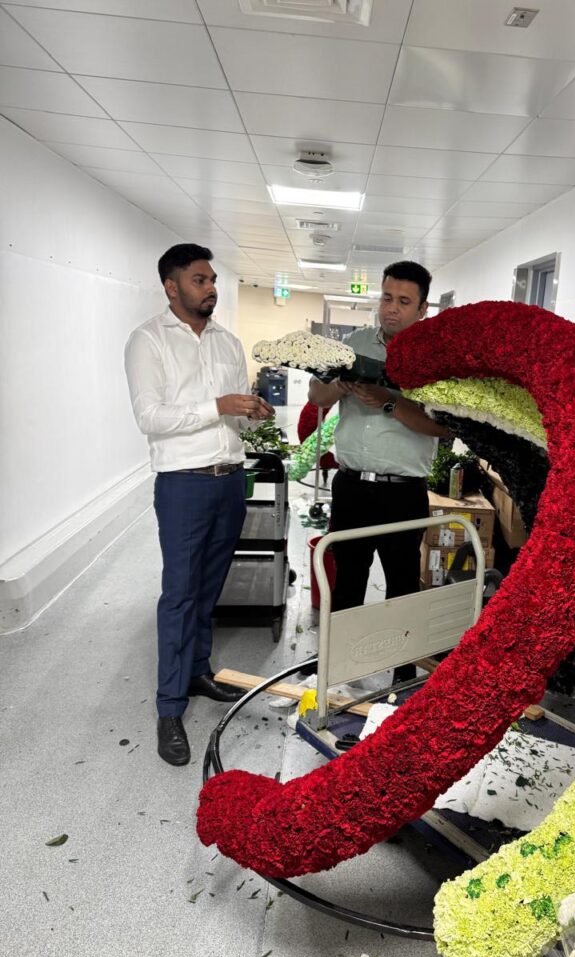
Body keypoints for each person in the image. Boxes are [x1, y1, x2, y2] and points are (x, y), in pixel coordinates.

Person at [125, 243, 274, 766]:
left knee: (209, 589)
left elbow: (234, 418)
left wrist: (251, 412)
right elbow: (150, 416)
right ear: (172, 287)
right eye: (199, 280)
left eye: (212, 280)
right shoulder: (148, 340)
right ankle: (169, 706)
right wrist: (218, 405)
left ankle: (198, 672)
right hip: (183, 485)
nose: (211, 288)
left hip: (230, 480)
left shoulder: (228, 342)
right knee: (180, 594)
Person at [307, 261, 449, 682]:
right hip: (351, 487)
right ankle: (339, 669)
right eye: (387, 298)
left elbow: (441, 426)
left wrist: (389, 401)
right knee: (348, 580)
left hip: (402, 493)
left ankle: (403, 675)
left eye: (404, 301)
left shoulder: (435, 359)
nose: (391, 308)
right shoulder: (354, 344)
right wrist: (342, 383)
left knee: (402, 584)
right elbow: (317, 394)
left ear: (422, 309)